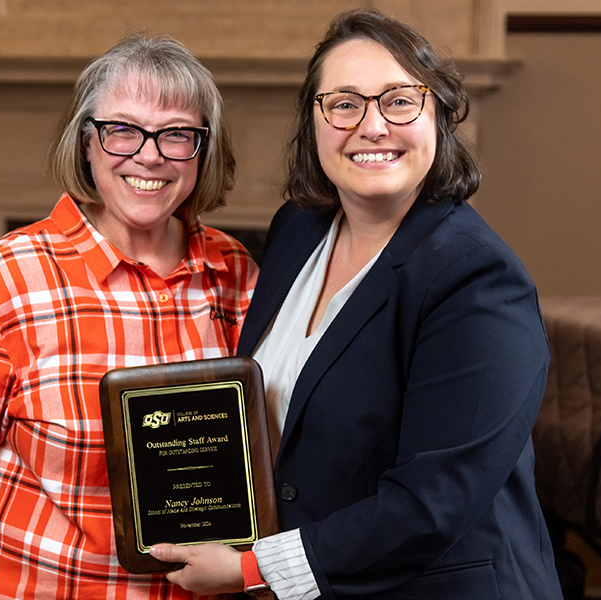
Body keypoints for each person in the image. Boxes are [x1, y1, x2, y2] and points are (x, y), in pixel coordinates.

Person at [150, 9, 564, 600]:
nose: (372, 127)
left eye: (399, 101)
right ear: (313, 123)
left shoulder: (476, 279)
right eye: (344, 104)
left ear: (439, 116)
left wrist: (252, 569)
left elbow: (431, 502)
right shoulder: (298, 229)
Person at [0, 32, 258, 600]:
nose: (149, 155)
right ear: (85, 142)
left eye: (177, 134)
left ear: (203, 150)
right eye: (122, 129)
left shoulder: (235, 271)